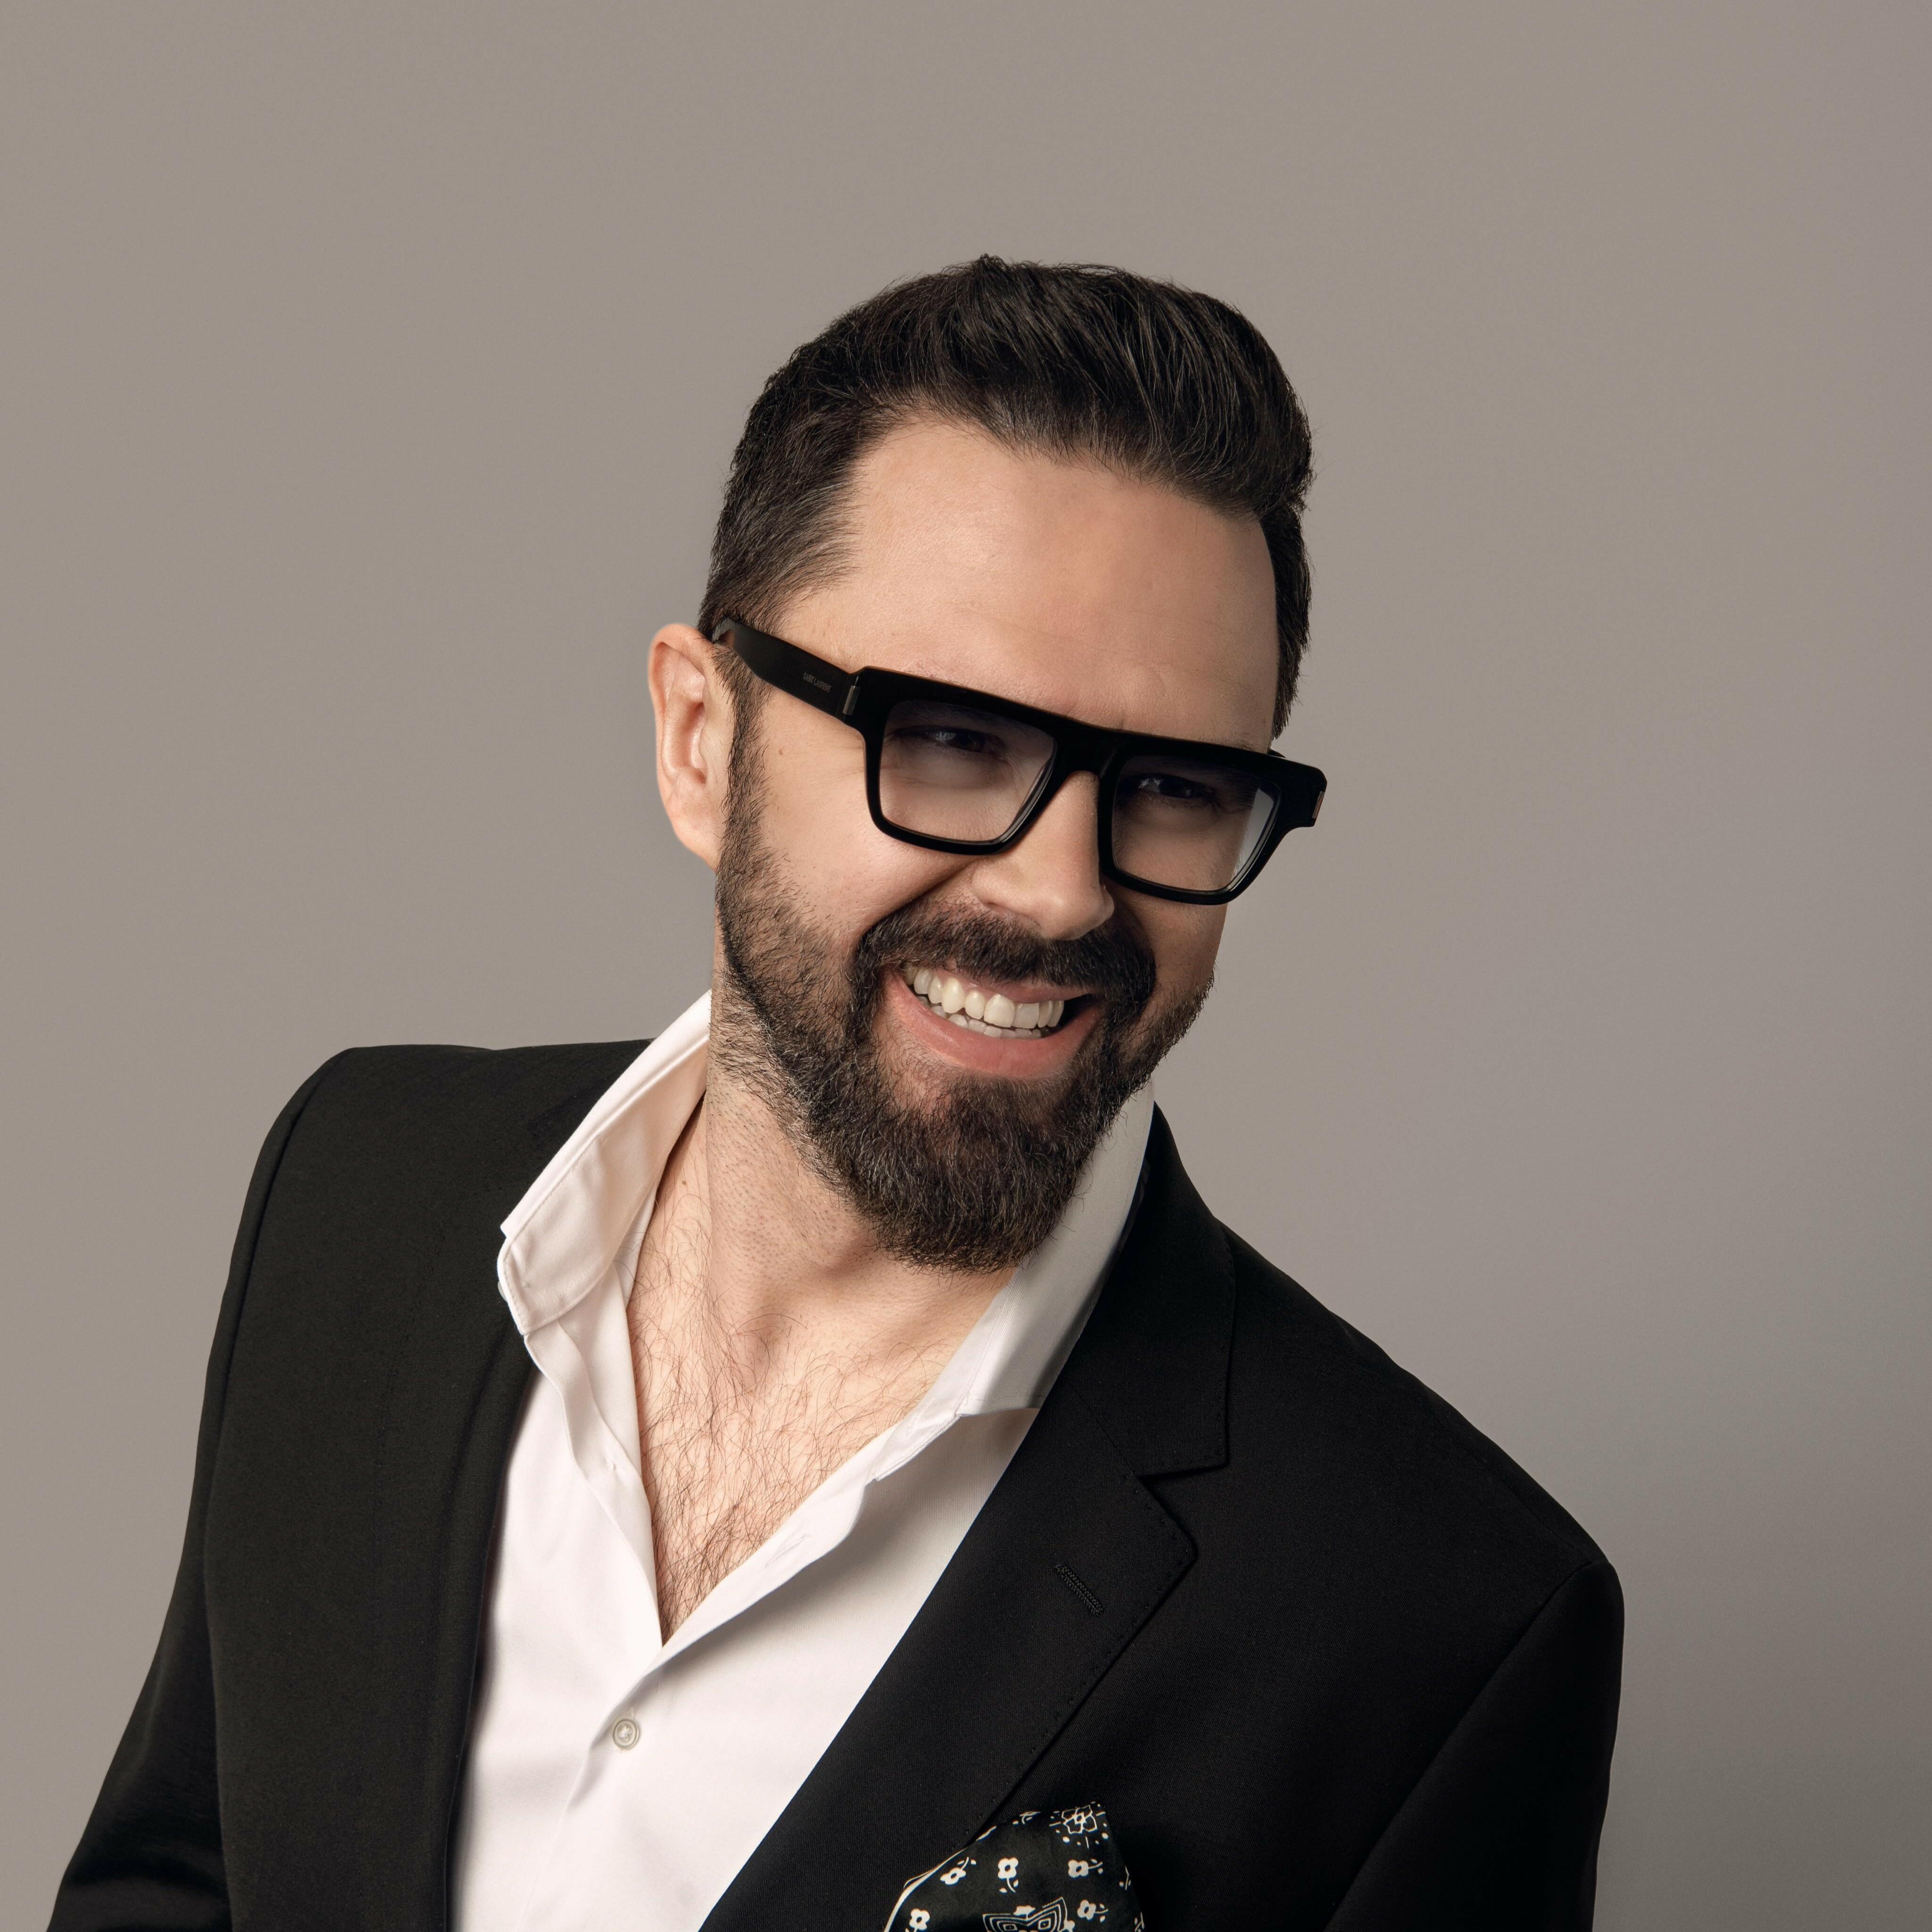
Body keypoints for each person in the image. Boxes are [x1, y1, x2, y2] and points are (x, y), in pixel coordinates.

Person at [50, 258, 1621, 1932]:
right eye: (950, 741)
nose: (1062, 892)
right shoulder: (355, 1187)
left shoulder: (1442, 1624)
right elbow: (176, 1883)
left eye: (1174, 786)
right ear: (700, 742)